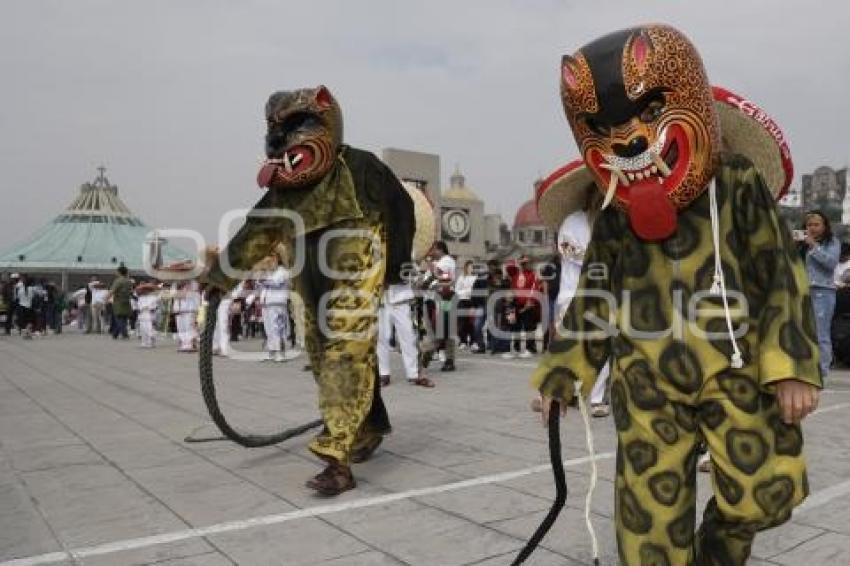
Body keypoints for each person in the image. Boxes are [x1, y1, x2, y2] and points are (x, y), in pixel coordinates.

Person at [531, 25, 821, 565]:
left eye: (648, 112)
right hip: (645, 378)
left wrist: (791, 365)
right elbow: (594, 294)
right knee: (650, 516)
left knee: (764, 490)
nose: (629, 138)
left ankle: (717, 553)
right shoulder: (614, 205)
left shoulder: (735, 181)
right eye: (605, 127)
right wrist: (563, 373)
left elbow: (779, 271)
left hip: (734, 363)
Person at [203, 86, 415, 496]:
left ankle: (336, 458)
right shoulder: (284, 189)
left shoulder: (361, 166)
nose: (282, 137)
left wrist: (397, 267)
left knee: (346, 348)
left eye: (298, 124)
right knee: (320, 352)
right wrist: (219, 279)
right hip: (306, 263)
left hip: (357, 250)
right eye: (276, 128)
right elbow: (257, 230)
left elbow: (400, 210)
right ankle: (366, 427)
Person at [798, 210, 840, 378]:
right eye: (809, 225)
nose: (813, 228)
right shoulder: (802, 243)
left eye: (816, 225)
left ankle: (822, 370)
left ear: (824, 226)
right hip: (802, 291)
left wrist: (814, 247)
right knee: (802, 331)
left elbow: (830, 263)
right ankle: (803, 366)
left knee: (820, 333)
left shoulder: (832, 242)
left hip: (822, 292)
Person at [377, 280, 434, 387]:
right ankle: (383, 374)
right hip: (382, 300)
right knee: (382, 338)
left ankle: (413, 373)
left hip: (402, 300)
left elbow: (411, 276)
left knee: (409, 338)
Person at [504, 256, 541, 358]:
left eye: (527, 263)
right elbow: (509, 268)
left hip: (528, 305)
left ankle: (530, 348)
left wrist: (530, 302)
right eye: (523, 263)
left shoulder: (533, 275)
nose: (525, 265)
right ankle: (516, 348)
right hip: (516, 304)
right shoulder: (516, 275)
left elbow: (534, 289)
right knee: (516, 327)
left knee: (529, 327)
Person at [258, 252, 290, 362]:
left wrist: (262, 280)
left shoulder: (282, 272)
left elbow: (275, 283)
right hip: (267, 303)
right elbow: (260, 285)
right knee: (269, 329)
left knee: (277, 328)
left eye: (272, 258)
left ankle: (280, 353)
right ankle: (271, 351)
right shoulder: (269, 272)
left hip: (277, 303)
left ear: (277, 259)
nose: (269, 261)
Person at [454, 260, 478, 349]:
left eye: (472, 267)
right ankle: (463, 341)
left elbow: (475, 290)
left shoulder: (476, 278)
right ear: (466, 268)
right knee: (462, 322)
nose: (471, 268)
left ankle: (473, 341)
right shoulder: (462, 277)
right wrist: (467, 291)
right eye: (469, 267)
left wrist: (469, 291)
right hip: (462, 301)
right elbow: (457, 290)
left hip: (471, 302)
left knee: (471, 322)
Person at [109, 265, 133, 339]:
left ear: (119, 272)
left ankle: (124, 333)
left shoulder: (118, 280)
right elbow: (131, 291)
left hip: (118, 301)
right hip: (126, 301)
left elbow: (112, 290)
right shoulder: (129, 281)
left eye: (117, 271)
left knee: (118, 318)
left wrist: (106, 298)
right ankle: (115, 334)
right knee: (124, 318)